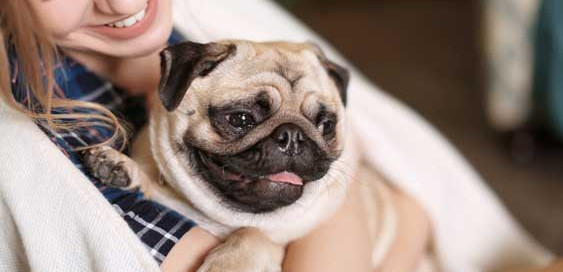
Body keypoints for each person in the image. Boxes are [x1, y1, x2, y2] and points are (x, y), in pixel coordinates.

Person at [0, 0, 555, 271]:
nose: (120, 1)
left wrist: (398, 221)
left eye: (316, 123)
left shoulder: (200, 15)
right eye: (242, 118)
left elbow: (415, 208)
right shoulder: (52, 134)